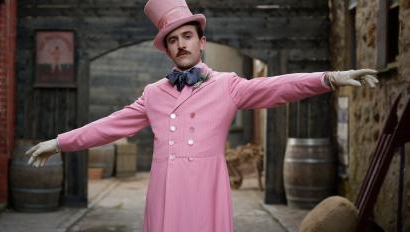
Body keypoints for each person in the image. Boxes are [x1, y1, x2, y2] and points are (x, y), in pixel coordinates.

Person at [25, 0, 379, 231]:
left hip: (207, 191)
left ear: (201, 41)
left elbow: (277, 86)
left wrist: (328, 78)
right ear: (167, 49)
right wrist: (58, 143)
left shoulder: (228, 85)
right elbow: (107, 126)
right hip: (165, 194)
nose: (181, 44)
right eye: (173, 39)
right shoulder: (153, 94)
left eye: (187, 36)